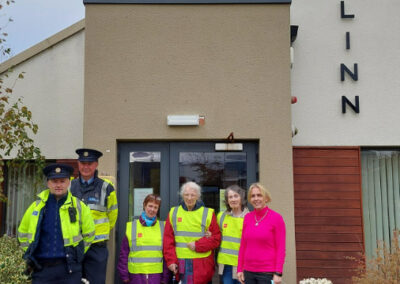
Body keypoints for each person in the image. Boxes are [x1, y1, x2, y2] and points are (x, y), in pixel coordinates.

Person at [18, 164, 95, 284]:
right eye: (54, 181)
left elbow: (89, 234)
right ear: (48, 183)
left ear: (69, 183)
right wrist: (29, 253)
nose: (58, 185)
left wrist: (77, 253)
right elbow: (22, 233)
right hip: (41, 270)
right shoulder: (36, 207)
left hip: (69, 270)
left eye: (62, 181)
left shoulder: (80, 206)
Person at [70, 148, 118, 284]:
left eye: (89, 163)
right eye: (83, 163)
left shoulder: (106, 188)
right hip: (74, 245)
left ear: (96, 164)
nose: (86, 167)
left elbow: (112, 216)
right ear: (78, 164)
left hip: (97, 246)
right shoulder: (69, 187)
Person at [163, 181, 221, 284]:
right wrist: (171, 261)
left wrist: (198, 245)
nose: (189, 198)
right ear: (182, 196)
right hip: (180, 266)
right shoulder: (173, 213)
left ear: (198, 196)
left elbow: (216, 239)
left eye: (192, 195)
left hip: (202, 266)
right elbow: (168, 241)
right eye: (186, 195)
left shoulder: (207, 213)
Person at [237, 183, 286, 284]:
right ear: (250, 200)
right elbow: (243, 245)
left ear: (266, 198)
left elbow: (281, 248)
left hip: (267, 273)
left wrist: (278, 272)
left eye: (259, 195)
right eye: (253, 196)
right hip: (248, 271)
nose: (256, 198)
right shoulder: (247, 217)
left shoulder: (276, 218)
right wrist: (239, 269)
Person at [117, 194, 170, 284]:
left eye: (155, 207)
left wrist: (165, 277)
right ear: (144, 205)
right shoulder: (132, 227)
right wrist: (124, 275)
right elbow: (124, 254)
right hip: (135, 276)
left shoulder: (163, 227)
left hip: (156, 276)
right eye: (150, 206)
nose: (152, 209)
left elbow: (166, 255)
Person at [217, 185, 249, 284]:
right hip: (226, 265)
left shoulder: (249, 217)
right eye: (230, 197)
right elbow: (216, 237)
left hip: (243, 265)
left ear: (241, 198)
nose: (233, 199)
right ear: (227, 200)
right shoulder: (221, 216)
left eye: (236, 196)